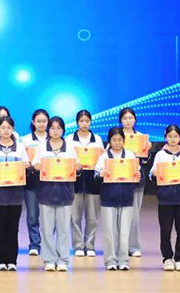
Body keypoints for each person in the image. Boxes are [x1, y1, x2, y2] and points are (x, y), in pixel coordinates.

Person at [31, 116, 79, 271]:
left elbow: (76, 166)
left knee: (63, 229)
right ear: (48, 129)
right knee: (47, 229)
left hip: (65, 192)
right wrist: (36, 167)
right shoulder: (42, 147)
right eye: (52, 128)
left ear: (63, 130)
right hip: (46, 193)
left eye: (58, 128)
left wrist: (78, 167)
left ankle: (63, 259)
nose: (55, 131)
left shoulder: (69, 147)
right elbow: (34, 165)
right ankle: (49, 260)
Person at [0, 116, 30, 271]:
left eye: (9, 128)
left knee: (12, 229)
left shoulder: (20, 147)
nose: (6, 130)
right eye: (3, 127)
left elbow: (26, 164)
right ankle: (0, 260)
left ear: (13, 129)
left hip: (15, 196)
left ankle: (12, 260)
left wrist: (26, 166)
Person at [150, 124, 180, 272]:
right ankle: (167, 258)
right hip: (165, 198)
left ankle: (179, 259)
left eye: (175, 136)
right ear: (165, 138)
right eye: (170, 136)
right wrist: (155, 173)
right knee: (165, 231)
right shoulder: (160, 154)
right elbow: (152, 172)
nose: (173, 139)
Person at [94, 127, 139, 271]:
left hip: (127, 198)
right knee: (109, 231)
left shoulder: (130, 156)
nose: (117, 142)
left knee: (124, 232)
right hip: (108, 199)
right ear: (109, 141)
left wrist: (137, 176)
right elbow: (95, 176)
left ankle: (123, 260)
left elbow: (137, 177)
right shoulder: (103, 157)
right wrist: (100, 175)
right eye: (114, 140)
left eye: (120, 139)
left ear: (124, 140)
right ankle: (110, 260)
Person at [67, 109, 103, 257]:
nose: (84, 124)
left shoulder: (97, 139)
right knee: (74, 217)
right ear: (77, 122)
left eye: (87, 121)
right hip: (74, 183)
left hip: (93, 184)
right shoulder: (69, 139)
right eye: (81, 121)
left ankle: (90, 245)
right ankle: (78, 246)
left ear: (90, 122)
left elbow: (102, 161)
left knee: (92, 218)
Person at [119, 108, 152, 257]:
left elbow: (144, 161)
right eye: (125, 118)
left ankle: (133, 247)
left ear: (135, 120)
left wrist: (147, 150)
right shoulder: (116, 136)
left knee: (134, 216)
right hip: (118, 180)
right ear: (120, 120)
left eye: (130, 118)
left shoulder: (140, 137)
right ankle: (120, 246)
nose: (128, 121)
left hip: (136, 179)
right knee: (120, 215)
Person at [21, 109, 49, 257]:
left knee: (48, 216)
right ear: (33, 122)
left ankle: (48, 243)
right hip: (31, 182)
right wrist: (30, 165)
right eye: (38, 121)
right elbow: (23, 159)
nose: (41, 124)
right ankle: (34, 244)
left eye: (44, 121)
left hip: (49, 183)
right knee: (32, 215)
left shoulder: (54, 138)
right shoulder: (26, 140)